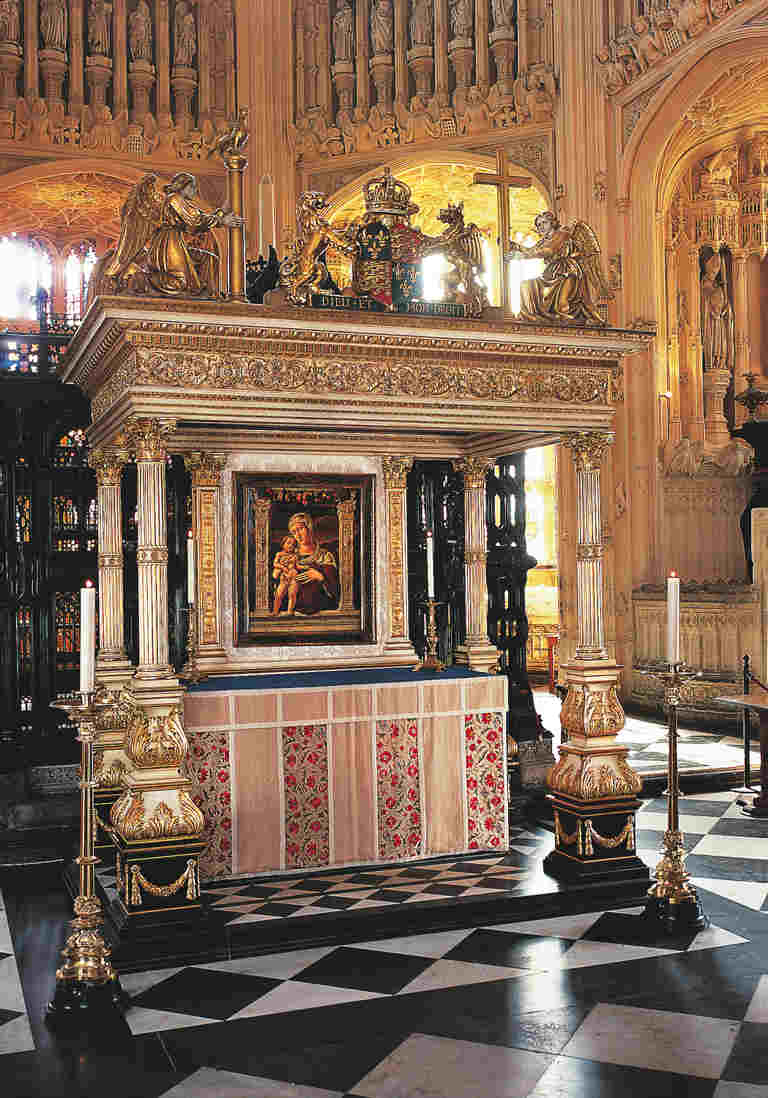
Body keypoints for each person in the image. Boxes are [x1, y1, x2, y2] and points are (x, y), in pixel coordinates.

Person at [285, 512, 340, 615]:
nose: (298, 535)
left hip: (323, 613)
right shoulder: (290, 556)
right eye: (294, 532)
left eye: (300, 529)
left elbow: (336, 592)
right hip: (296, 614)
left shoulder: (325, 555)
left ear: (309, 528)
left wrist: (319, 576)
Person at [272, 535, 301, 615]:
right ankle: (275, 611)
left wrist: (304, 566)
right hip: (284, 577)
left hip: (294, 576)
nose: (290, 546)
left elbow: (297, 566)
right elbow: (275, 564)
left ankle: (290, 611)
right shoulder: (279, 554)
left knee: (292, 594)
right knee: (279, 594)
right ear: (283, 544)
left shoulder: (295, 555)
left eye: (293, 544)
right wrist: (283, 567)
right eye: (288, 543)